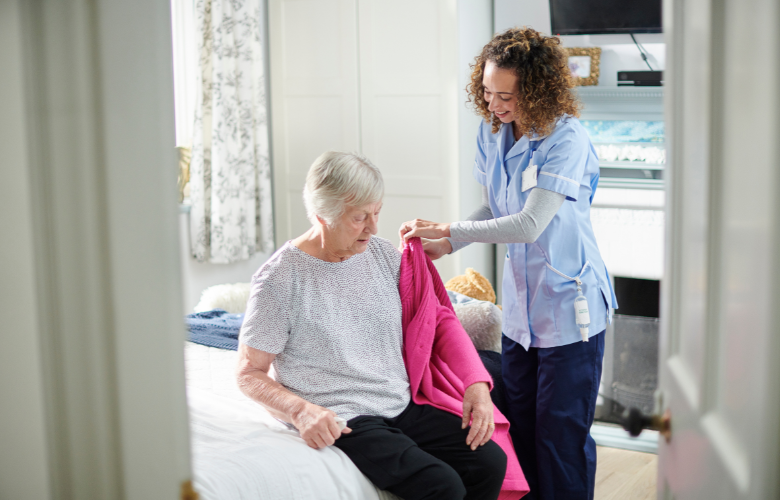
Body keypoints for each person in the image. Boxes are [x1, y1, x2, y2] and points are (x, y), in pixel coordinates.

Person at [399, 27, 618, 500]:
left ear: (537, 90)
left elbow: (528, 224)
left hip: (569, 308)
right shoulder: (491, 132)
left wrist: (450, 231)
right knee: (520, 429)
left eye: (507, 96)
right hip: (521, 315)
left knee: (559, 439)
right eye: (487, 93)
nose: (495, 105)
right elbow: (496, 211)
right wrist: (447, 246)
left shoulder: (566, 138)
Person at [236, 151, 509, 500]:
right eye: (359, 217)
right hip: (345, 416)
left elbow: (437, 318)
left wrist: (476, 384)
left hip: (399, 402)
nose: (374, 227)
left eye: (376, 213)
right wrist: (300, 411)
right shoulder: (280, 279)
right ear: (323, 214)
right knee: (441, 485)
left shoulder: (381, 254)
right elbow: (248, 373)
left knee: (488, 462)